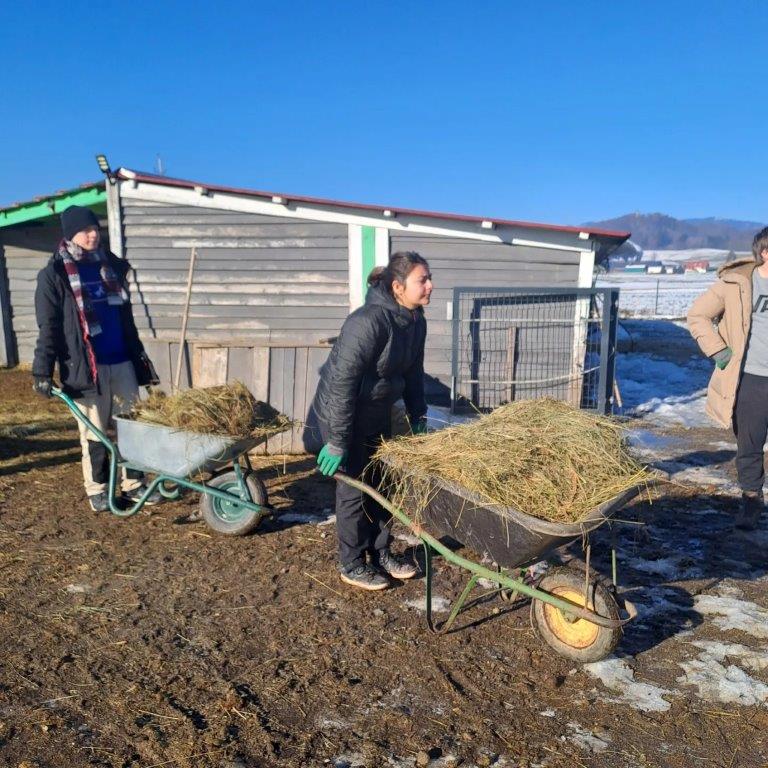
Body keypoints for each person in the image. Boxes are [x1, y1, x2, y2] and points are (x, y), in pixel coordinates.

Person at [310, 251, 432, 590]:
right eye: (422, 280)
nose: (430, 286)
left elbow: (413, 373)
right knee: (354, 487)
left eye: (429, 278)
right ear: (398, 286)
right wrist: (337, 441)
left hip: (378, 411)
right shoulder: (367, 322)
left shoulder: (415, 321)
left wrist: (418, 414)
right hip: (342, 414)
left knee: (383, 484)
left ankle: (380, 553)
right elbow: (341, 384)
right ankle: (351, 563)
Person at [32, 205, 161, 512]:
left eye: (95, 229)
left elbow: (126, 320)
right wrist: (41, 371)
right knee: (95, 432)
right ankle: (98, 489)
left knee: (131, 426)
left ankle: (134, 484)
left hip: (122, 360)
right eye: (85, 230)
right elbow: (49, 327)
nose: (93, 235)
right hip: (86, 367)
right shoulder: (55, 275)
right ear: (70, 234)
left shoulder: (111, 266)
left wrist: (139, 356)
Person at [687, 226, 768, 530]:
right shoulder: (734, 283)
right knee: (750, 443)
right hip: (751, 378)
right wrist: (718, 350)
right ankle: (751, 500)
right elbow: (697, 315)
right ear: (765, 253)